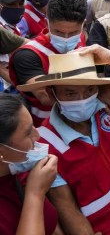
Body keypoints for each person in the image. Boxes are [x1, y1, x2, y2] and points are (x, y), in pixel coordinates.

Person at [18, 46, 110, 235]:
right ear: (51, 93)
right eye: (70, 93)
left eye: (89, 90)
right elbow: (67, 207)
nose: (82, 99)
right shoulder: (46, 145)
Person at [9, 0, 88, 125]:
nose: (66, 38)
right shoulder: (28, 55)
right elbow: (45, 96)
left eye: (73, 32)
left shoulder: (80, 39)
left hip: (84, 123)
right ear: (47, 23)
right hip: (46, 127)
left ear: (83, 25)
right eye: (58, 32)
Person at [0, 94, 59, 235]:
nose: (37, 136)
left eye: (33, 126)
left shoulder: (19, 174)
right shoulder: (33, 184)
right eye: (28, 133)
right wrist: (35, 194)